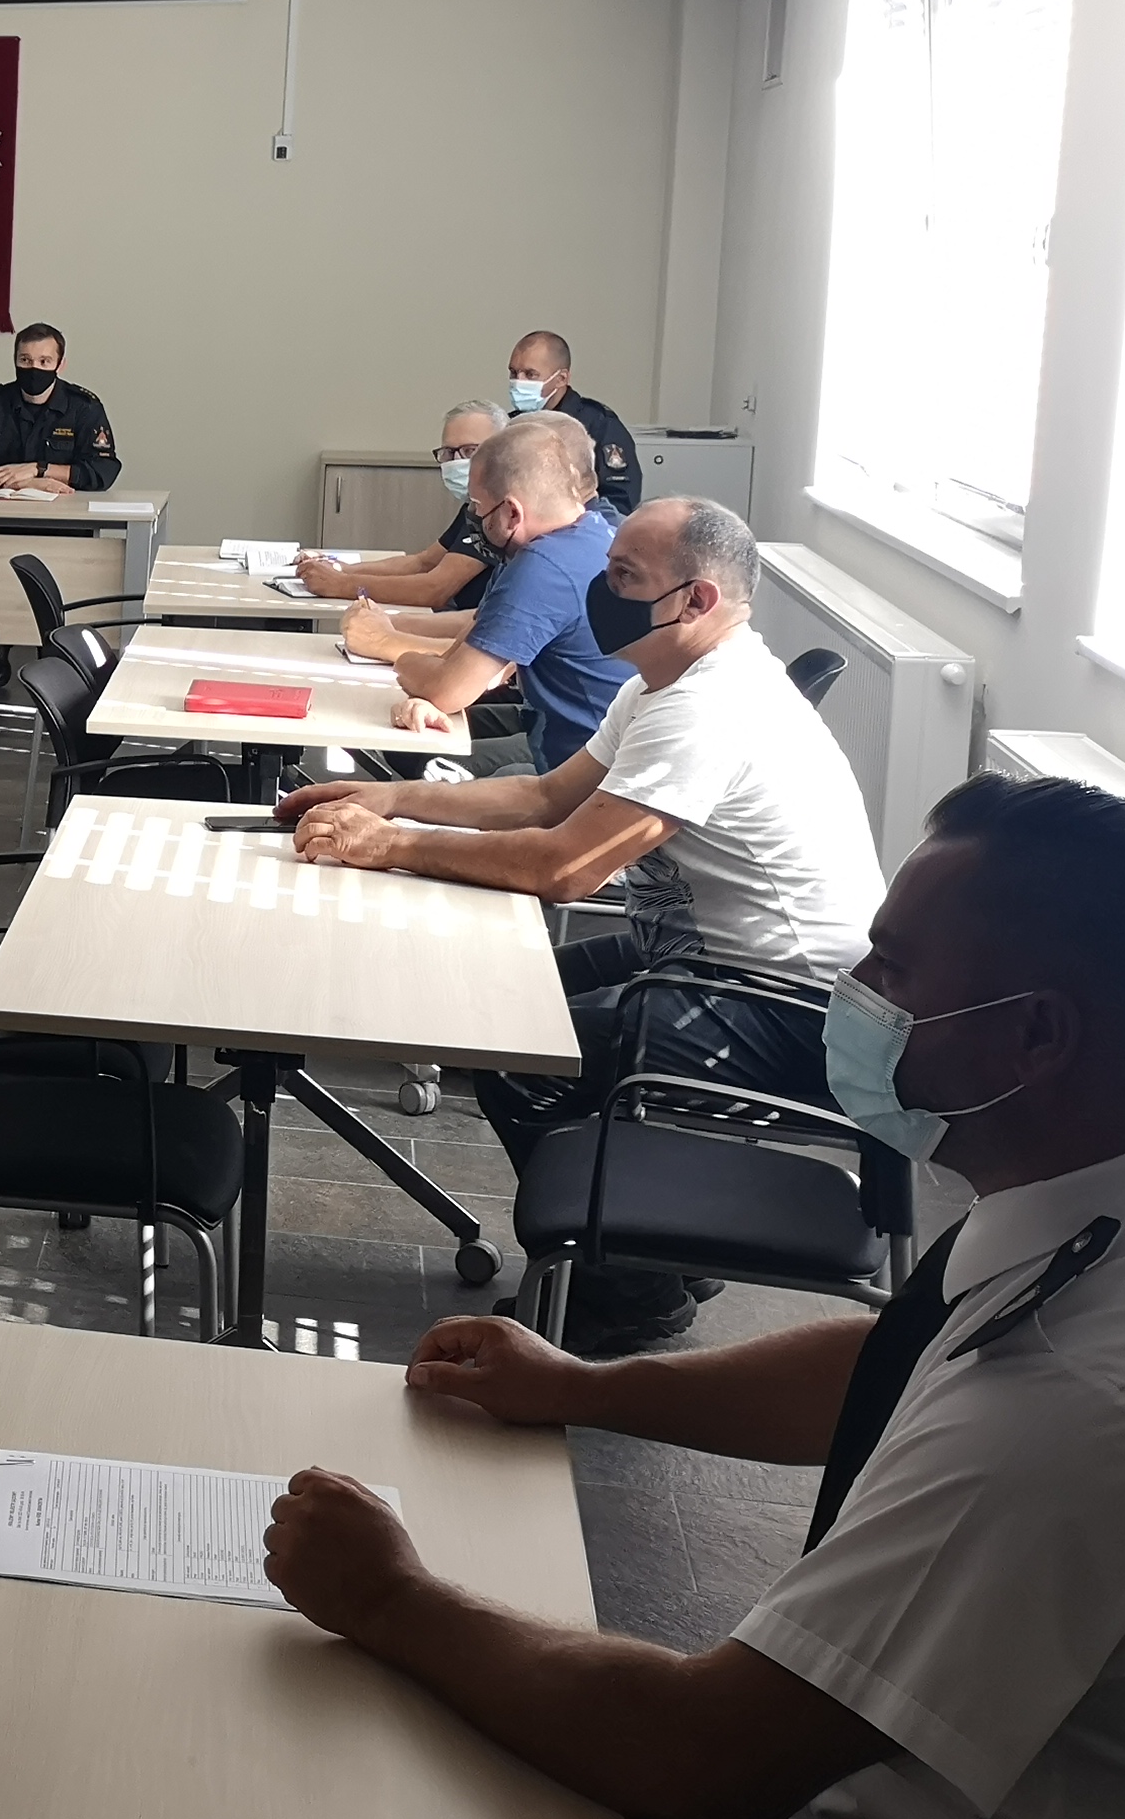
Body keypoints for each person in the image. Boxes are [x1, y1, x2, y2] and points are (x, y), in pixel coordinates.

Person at [261, 775, 1125, 1819]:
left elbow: (705, 1759)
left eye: (892, 971)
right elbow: (899, 1360)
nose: (856, 994)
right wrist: (582, 1387)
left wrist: (389, 1597)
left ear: (1035, 1037)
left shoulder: (1083, 1403)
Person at [280, 497, 884, 1351]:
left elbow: (566, 867)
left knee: (521, 1052)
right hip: (703, 959)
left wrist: (392, 846)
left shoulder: (710, 709)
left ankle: (627, 1294)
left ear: (696, 599)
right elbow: (545, 797)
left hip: (787, 1005)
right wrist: (388, 800)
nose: (602, 591)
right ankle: (660, 1246)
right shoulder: (664, 682)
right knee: (506, 995)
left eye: (624, 577)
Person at [339, 411, 624, 770]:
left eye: (478, 507)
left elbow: (448, 688)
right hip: (572, 733)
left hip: (582, 762)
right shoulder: (590, 533)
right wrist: (431, 672)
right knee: (413, 747)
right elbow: (467, 650)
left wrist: (397, 655)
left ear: (512, 513)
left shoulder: (544, 566)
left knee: (433, 770)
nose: (475, 517)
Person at [299, 399, 509, 609]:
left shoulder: (499, 513)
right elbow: (423, 562)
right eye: (448, 453)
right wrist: (341, 569)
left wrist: (341, 584)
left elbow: (434, 589)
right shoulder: (474, 506)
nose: (456, 462)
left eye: (470, 451)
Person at [0, 321, 119, 494]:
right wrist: (24, 484)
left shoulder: (84, 407)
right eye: (25, 360)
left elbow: (103, 471)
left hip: (63, 507)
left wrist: (39, 469)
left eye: (44, 361)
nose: (34, 368)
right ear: (15, 361)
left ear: (60, 365)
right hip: (4, 508)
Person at [510, 327, 641, 513]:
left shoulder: (599, 424)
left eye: (530, 374)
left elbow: (619, 501)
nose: (519, 381)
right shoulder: (511, 425)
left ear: (561, 378)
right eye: (514, 373)